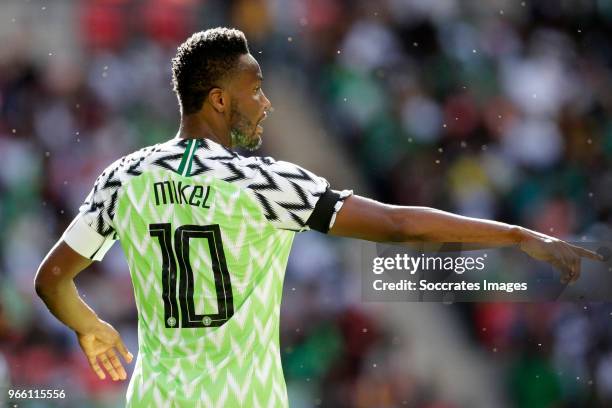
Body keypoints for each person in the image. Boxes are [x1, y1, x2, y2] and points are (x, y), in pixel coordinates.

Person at [34, 27, 602, 407]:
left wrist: (90, 326)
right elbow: (401, 225)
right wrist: (515, 234)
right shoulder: (265, 184)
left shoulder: (124, 177)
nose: (267, 102)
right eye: (255, 89)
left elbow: (52, 280)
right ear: (219, 100)